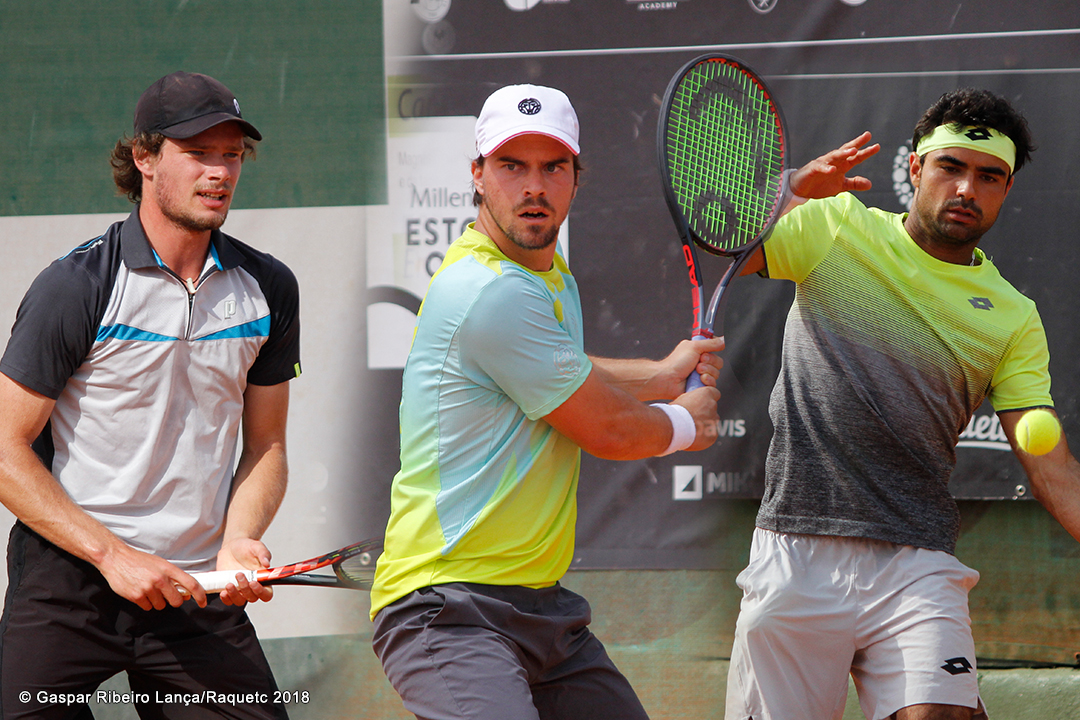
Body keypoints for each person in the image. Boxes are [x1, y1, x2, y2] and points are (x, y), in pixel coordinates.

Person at [370, 84, 725, 720]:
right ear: (478, 176)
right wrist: (683, 422)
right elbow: (611, 430)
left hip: (542, 612)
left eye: (552, 166)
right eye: (512, 165)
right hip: (448, 612)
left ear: (575, 179)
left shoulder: (547, 275)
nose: (533, 186)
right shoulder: (490, 288)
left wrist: (663, 373)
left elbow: (562, 370)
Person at [725, 88, 1080, 720]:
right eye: (951, 167)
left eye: (989, 176)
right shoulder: (832, 226)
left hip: (915, 563)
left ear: (1004, 190)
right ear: (915, 169)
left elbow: (1051, 467)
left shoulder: (1012, 318)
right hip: (796, 548)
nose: (967, 188)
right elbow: (727, 250)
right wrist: (791, 189)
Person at [0, 71, 300, 719]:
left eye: (231, 154)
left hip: (196, 587)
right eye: (198, 152)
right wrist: (113, 556)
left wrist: (240, 538)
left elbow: (268, 444)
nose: (219, 172)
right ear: (144, 157)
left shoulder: (268, 288)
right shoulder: (75, 286)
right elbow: (4, 451)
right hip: (70, 579)